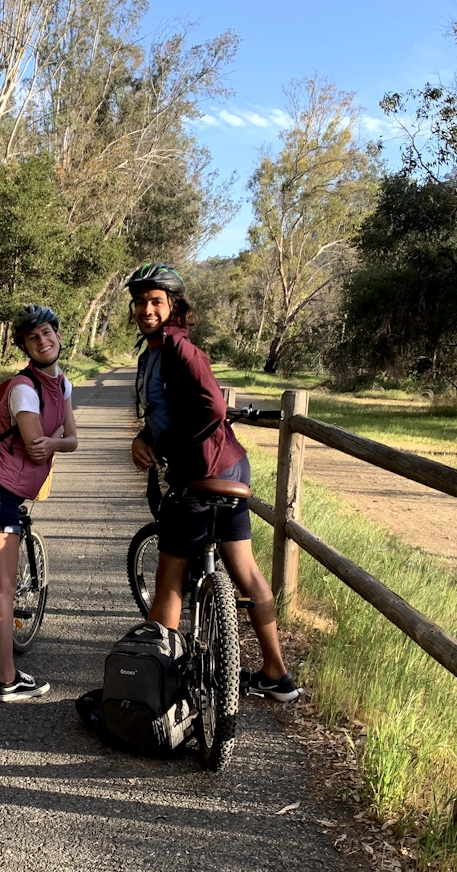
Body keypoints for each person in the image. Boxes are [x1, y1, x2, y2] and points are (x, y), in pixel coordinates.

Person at [126, 263, 300, 702]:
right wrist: (146, 438)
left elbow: (212, 410)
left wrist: (176, 451)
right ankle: (277, 676)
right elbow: (165, 412)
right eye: (141, 302)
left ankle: (156, 687)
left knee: (170, 575)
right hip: (231, 466)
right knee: (244, 570)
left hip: (201, 474)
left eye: (156, 302)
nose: (147, 309)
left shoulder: (181, 350)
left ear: (173, 306)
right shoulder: (154, 352)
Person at [0, 305, 78, 702]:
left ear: (59, 336)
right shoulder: (24, 389)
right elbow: (36, 450)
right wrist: (51, 443)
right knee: (4, 591)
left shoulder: (62, 384)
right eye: (33, 337)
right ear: (25, 346)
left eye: (48, 333)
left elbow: (72, 437)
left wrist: (55, 443)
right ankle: (7, 679)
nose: (43, 341)